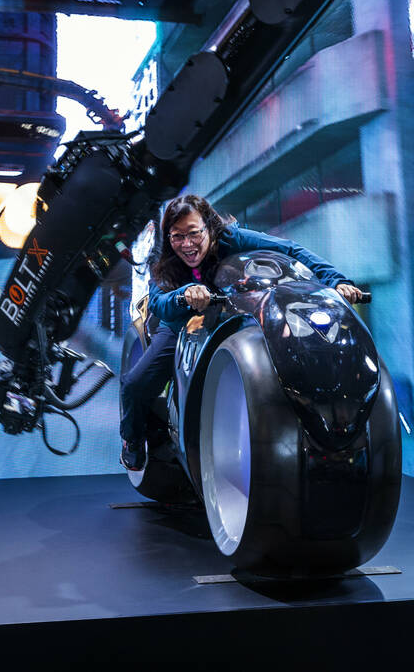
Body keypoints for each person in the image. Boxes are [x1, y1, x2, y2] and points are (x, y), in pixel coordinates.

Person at [119, 194, 365, 471]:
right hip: (180, 325)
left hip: (230, 317)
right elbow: (160, 305)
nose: (186, 244)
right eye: (177, 236)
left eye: (193, 233)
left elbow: (292, 251)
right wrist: (184, 295)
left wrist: (337, 281)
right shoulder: (164, 261)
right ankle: (132, 440)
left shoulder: (231, 239)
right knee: (135, 384)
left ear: (208, 227)